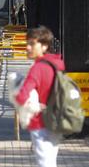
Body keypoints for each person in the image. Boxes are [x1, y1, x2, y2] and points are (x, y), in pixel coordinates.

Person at [15, 26, 65, 167]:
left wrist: (36, 106)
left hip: (40, 123)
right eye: (27, 43)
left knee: (44, 163)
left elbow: (21, 97)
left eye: (32, 44)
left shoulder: (37, 68)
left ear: (44, 46)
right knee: (50, 161)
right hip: (56, 120)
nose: (28, 47)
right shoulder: (58, 64)